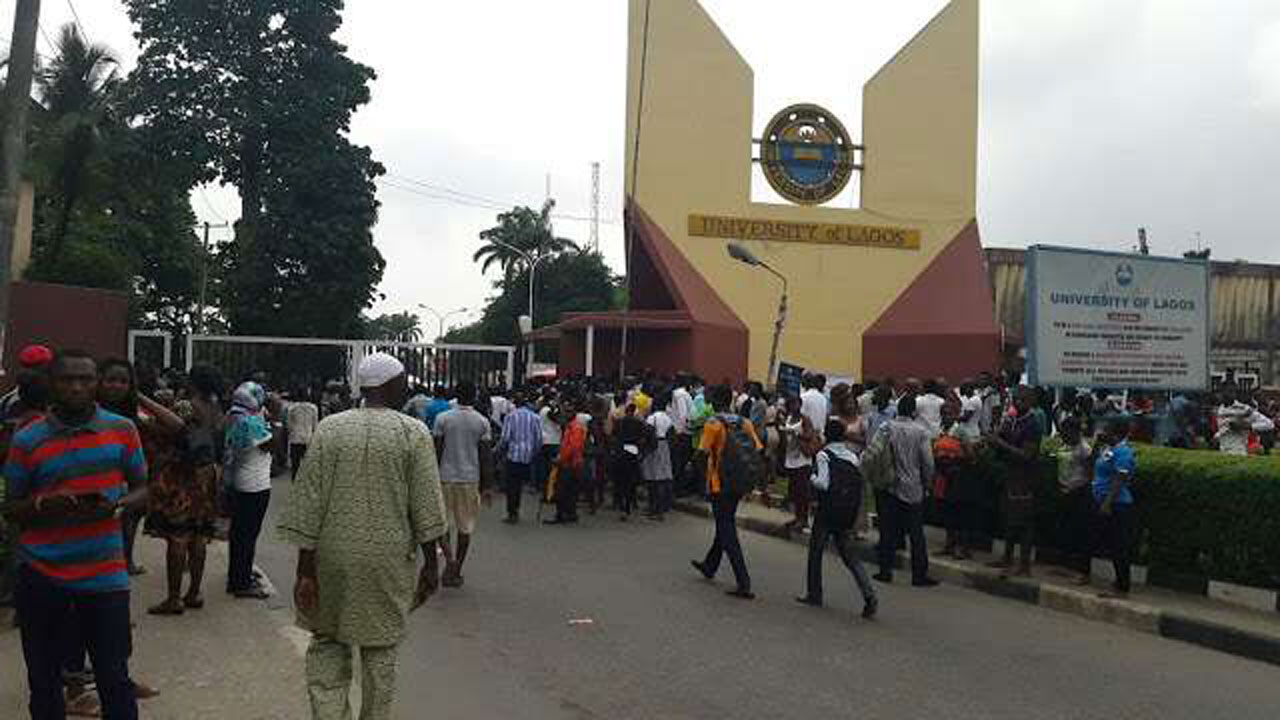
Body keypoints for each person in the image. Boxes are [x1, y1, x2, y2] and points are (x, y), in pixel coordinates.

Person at [279, 353, 446, 720]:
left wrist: (305, 569)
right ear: (388, 385)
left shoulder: (330, 428)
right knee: (381, 649)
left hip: (331, 557)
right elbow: (425, 505)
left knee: (327, 641)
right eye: (403, 381)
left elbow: (310, 500)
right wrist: (431, 565)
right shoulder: (412, 432)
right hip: (387, 561)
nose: (406, 388)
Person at [4, 350, 148, 719]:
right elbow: (10, 507)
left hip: (105, 576)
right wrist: (41, 507)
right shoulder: (27, 439)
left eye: (85, 379)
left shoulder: (122, 430)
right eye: (67, 379)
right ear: (52, 384)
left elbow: (143, 487)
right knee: (44, 679)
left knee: (114, 677)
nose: (77, 387)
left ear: (96, 384)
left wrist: (117, 505)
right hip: (42, 576)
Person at [143, 364, 225, 617]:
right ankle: (194, 592)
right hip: (206, 474)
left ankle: (174, 598)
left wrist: (144, 421)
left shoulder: (186, 406)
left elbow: (168, 433)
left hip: (182, 475)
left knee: (177, 535)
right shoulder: (216, 408)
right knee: (199, 535)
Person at [796, 419, 878, 619]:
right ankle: (869, 595)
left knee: (815, 552)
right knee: (850, 557)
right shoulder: (852, 456)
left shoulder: (824, 455)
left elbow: (823, 484)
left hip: (827, 511)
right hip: (846, 513)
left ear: (826, 435)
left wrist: (811, 478)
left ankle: (815, 593)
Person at [690, 385, 762, 600]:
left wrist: (698, 474)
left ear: (713, 401)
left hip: (718, 483)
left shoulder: (713, 424)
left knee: (726, 527)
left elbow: (701, 454)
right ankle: (710, 565)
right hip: (739, 482)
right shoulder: (744, 422)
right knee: (725, 521)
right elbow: (758, 450)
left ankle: (743, 582)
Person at [874, 395, 939, 587]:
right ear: (914, 412)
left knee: (887, 530)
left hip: (890, 485)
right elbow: (928, 462)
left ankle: (885, 570)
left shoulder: (886, 427)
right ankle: (919, 575)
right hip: (913, 487)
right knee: (916, 533)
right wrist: (928, 483)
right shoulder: (921, 432)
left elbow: (875, 451)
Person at [432, 381, 491, 586]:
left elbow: (436, 451)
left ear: (455, 396)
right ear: (474, 396)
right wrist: (487, 486)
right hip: (470, 478)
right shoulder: (482, 422)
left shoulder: (443, 419)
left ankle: (449, 560)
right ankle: (457, 569)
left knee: (442, 525)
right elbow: (485, 457)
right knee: (465, 527)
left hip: (444, 477)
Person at [988, 386, 1044, 578]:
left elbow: (1027, 455)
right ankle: (1007, 557)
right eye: (1015, 399)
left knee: (1024, 523)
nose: (1017, 403)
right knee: (1009, 520)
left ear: (1030, 402)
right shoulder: (1011, 420)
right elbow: (1001, 443)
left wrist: (1001, 443)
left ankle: (1025, 565)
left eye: (1022, 400)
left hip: (1025, 478)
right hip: (1010, 475)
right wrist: (993, 438)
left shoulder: (1032, 424)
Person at [225, 381, 274, 599]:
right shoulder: (250, 422)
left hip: (240, 482)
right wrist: (277, 419)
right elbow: (274, 446)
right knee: (247, 535)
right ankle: (241, 583)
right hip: (255, 486)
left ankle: (239, 574)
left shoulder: (234, 415)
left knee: (239, 534)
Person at [1092, 419, 1137, 598]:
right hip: (1104, 500)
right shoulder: (1108, 450)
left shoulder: (1123, 452)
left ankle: (1122, 586)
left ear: (1116, 433)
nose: (1103, 432)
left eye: (1107, 430)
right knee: (1111, 544)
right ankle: (1118, 582)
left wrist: (1107, 502)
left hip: (1118, 504)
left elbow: (1120, 479)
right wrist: (1096, 443)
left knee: (1119, 546)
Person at [1055, 417, 1095, 584]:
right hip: (1064, 491)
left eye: (1066, 432)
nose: (1063, 435)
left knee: (1082, 534)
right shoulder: (1065, 445)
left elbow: (1089, 474)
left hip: (1079, 493)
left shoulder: (1084, 449)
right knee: (1067, 530)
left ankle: (1084, 572)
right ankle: (1069, 566)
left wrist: (1075, 488)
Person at [497, 393, 542, 524]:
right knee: (522, 483)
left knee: (512, 485)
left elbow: (505, 438)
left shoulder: (510, 417)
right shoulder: (535, 417)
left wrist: (498, 450)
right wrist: (534, 452)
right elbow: (538, 438)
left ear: (515, 403)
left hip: (513, 455)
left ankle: (513, 512)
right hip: (528, 455)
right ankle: (517, 507)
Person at [780, 394, 816, 533]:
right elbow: (785, 439)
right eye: (790, 404)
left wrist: (796, 433)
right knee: (794, 491)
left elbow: (810, 435)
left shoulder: (804, 419)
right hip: (791, 459)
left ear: (800, 404)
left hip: (802, 459)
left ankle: (804, 519)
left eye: (795, 404)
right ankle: (797, 517)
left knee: (803, 491)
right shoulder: (788, 418)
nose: (793, 406)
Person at [547, 402, 587, 525]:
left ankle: (562, 514)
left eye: (568, 412)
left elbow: (573, 448)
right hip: (572, 463)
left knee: (562, 490)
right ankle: (570, 513)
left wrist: (561, 459)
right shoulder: (572, 427)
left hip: (570, 464)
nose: (565, 414)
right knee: (570, 490)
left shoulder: (574, 428)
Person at [641, 393, 675, 520]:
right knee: (663, 477)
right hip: (664, 446)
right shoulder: (668, 418)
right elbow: (672, 435)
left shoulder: (651, 418)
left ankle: (653, 507)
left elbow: (647, 434)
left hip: (653, 448)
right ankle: (661, 507)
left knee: (651, 478)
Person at [612, 403, 647, 521]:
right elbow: (642, 438)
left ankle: (621, 505)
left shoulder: (620, 422)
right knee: (632, 479)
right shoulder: (638, 423)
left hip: (620, 452)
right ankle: (631, 503)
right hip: (632, 452)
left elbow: (614, 436)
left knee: (620, 480)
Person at [287, 389, 320, 480]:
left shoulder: (292, 408)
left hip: (295, 438)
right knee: (309, 463)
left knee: (295, 464)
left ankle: (295, 481)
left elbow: (289, 425)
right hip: (309, 438)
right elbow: (315, 424)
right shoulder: (313, 408)